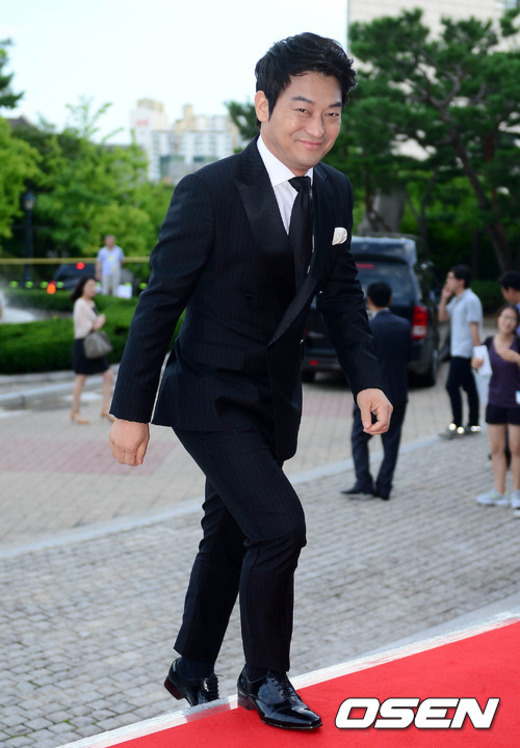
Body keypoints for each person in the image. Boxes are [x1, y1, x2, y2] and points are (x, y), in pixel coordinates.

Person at [108, 32, 392, 732]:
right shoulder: (208, 191)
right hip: (209, 396)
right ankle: (263, 676)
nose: (317, 128)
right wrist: (130, 409)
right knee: (279, 527)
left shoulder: (333, 191)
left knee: (231, 530)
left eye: (331, 113)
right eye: (302, 109)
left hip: (274, 400)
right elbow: (160, 303)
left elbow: (341, 294)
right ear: (263, 105)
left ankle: (190, 663)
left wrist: (367, 379)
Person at [342, 282, 411, 501]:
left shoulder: (368, 327)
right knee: (392, 441)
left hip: (372, 393)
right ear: (390, 300)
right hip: (398, 391)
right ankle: (384, 486)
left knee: (359, 437)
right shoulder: (404, 325)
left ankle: (363, 481)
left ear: (369, 300)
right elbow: (410, 356)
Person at [473, 304, 520, 516]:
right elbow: (482, 371)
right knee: (496, 448)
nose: (507, 322)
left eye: (512, 319)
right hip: (494, 401)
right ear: (498, 319)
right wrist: (475, 365)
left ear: (516, 323)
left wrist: (517, 359)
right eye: (504, 317)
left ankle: (517, 492)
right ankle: (499, 491)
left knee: (516, 448)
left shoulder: (518, 343)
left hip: (516, 403)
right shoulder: (489, 343)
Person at [438, 265, 482, 438]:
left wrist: (478, 353)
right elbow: (442, 317)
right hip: (457, 350)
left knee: (451, 386)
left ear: (461, 281)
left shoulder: (471, 300)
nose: (447, 281)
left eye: (450, 278)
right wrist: (444, 298)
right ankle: (473, 423)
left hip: (464, 351)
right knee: (469, 387)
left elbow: (474, 328)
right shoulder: (457, 299)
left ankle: (457, 424)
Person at [70, 277, 114, 424]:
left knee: (108, 375)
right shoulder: (80, 304)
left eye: (95, 285)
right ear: (82, 287)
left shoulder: (91, 303)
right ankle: (75, 412)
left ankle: (105, 409)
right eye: (90, 286)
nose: (93, 288)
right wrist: (99, 322)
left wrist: (97, 322)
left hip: (93, 345)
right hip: (84, 344)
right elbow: (86, 328)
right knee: (81, 378)